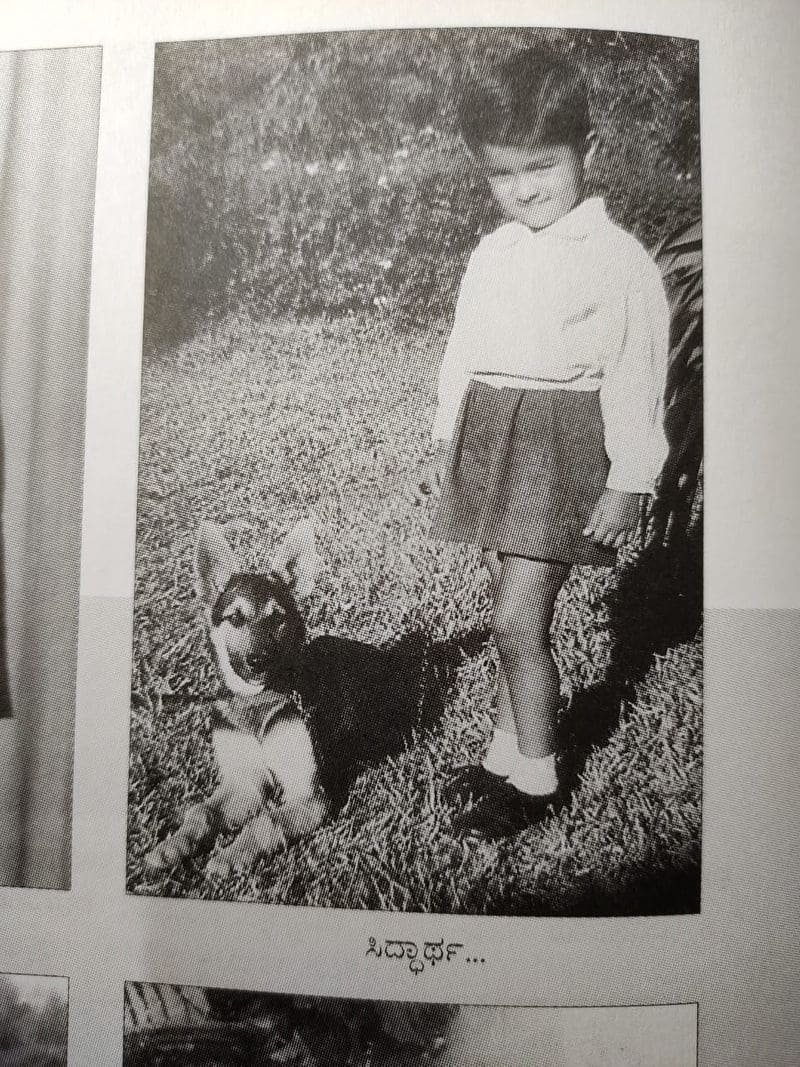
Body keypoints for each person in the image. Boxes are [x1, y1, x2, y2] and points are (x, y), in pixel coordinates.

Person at [426, 46, 669, 839]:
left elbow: (638, 372)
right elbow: (462, 351)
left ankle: (538, 778)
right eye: (501, 174)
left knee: (515, 624)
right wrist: (443, 440)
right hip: (495, 441)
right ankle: (504, 752)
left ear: (587, 153)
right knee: (506, 606)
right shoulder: (493, 251)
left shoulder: (617, 261)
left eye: (541, 166)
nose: (522, 189)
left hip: (561, 452)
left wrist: (629, 479)